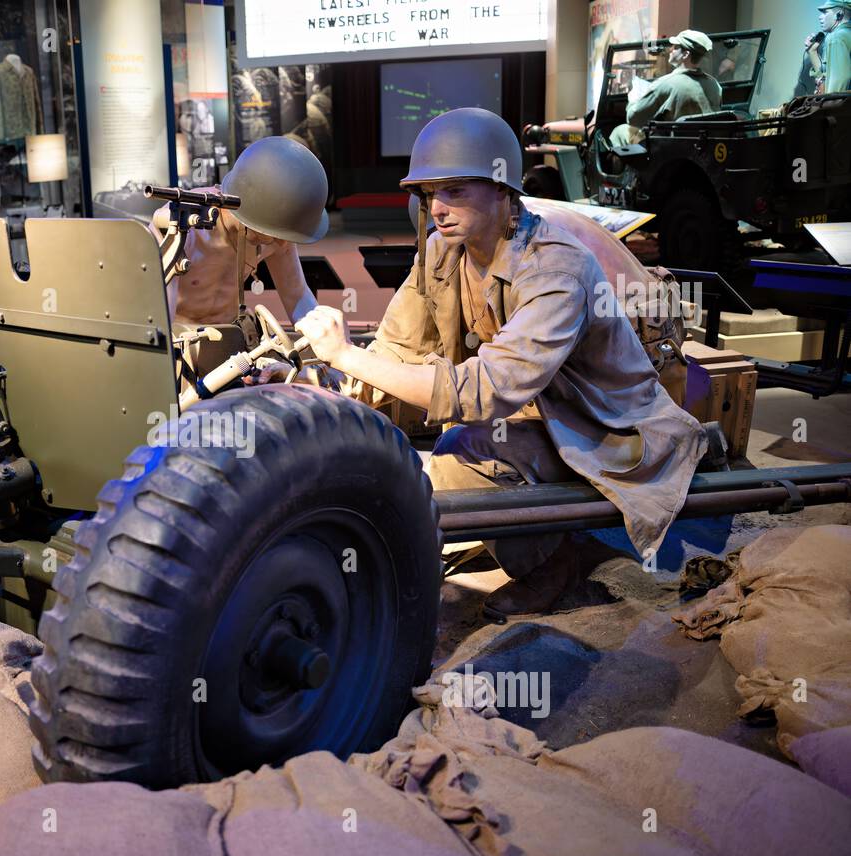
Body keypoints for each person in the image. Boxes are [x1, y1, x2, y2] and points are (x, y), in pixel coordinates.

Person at [291, 108, 707, 622]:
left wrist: (346, 355)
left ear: (502, 189)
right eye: (427, 195)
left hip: (603, 428)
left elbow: (486, 391)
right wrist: (325, 383)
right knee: (441, 446)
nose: (437, 209)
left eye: (455, 191)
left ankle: (550, 567)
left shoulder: (557, 268)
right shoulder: (445, 250)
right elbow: (397, 344)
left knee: (458, 455)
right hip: (531, 412)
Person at [152, 135, 327, 327]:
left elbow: (298, 296)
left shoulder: (275, 230)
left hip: (231, 337)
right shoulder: (186, 225)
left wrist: (331, 346)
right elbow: (160, 315)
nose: (280, 241)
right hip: (181, 339)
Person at [610, 30, 722, 147]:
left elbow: (633, 118)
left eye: (676, 47)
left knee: (620, 131)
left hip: (669, 149)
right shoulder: (715, 85)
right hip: (703, 147)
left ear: (686, 54)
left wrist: (633, 99)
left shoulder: (666, 84)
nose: (670, 49)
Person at [817, 2, 851, 93]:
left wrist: (827, 105)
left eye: (825, 12)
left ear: (839, 14)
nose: (820, 17)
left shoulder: (836, 38)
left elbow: (840, 79)